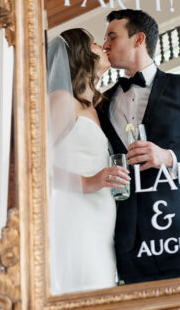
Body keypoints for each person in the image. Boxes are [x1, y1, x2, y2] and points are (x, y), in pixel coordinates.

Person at [97, 9, 180, 284]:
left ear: (138, 39)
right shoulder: (101, 103)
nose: (105, 44)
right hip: (129, 245)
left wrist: (167, 157)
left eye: (112, 36)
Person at [46, 28, 130, 294]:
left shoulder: (94, 107)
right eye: (95, 43)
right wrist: (88, 182)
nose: (103, 46)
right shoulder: (62, 101)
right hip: (76, 218)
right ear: (79, 53)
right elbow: (35, 168)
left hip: (102, 218)